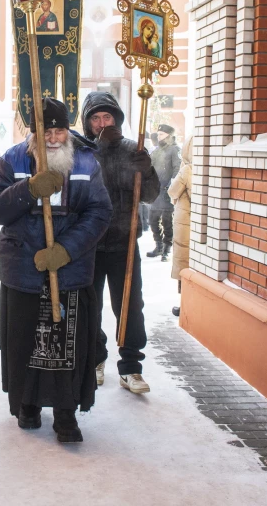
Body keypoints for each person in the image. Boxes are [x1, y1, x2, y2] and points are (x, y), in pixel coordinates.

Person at [0, 98, 112, 443]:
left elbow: (99, 213)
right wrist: (27, 190)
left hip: (69, 271)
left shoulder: (86, 162)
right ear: (33, 132)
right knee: (26, 343)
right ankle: (27, 404)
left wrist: (65, 250)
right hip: (24, 271)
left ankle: (66, 413)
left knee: (68, 346)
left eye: (59, 130)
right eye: (46, 131)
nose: (53, 139)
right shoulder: (13, 160)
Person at [82, 92, 160, 394]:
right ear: (89, 123)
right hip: (90, 243)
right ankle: (96, 358)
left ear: (117, 119)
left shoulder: (133, 149)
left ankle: (130, 366)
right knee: (91, 306)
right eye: (96, 119)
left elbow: (151, 195)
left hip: (124, 242)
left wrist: (147, 169)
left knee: (129, 304)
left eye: (107, 117)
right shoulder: (84, 152)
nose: (102, 123)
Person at [148, 124, 181, 261]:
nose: (158, 136)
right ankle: (159, 246)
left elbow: (177, 169)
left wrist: (170, 187)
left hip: (167, 192)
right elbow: (149, 166)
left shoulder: (174, 149)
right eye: (158, 134)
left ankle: (167, 249)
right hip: (155, 192)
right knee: (153, 219)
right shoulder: (157, 151)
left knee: (167, 221)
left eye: (161, 134)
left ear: (169, 135)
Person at [168, 137, 192, 316]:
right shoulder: (206, 168)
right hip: (196, 225)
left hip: (184, 224)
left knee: (183, 264)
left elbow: (172, 191)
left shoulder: (187, 170)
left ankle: (184, 304)